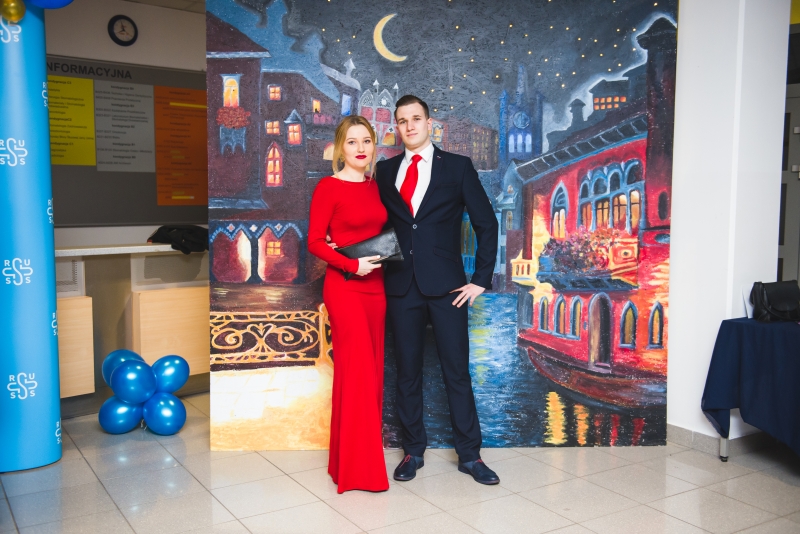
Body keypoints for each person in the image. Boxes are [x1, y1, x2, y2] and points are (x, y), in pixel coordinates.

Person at [375, 95, 501, 485]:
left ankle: (470, 456)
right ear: (397, 127)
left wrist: (480, 279)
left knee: (456, 372)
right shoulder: (385, 170)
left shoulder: (458, 167)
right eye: (402, 121)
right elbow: (375, 225)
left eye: (416, 118)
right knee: (407, 373)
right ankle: (413, 451)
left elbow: (486, 224)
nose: (409, 126)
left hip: (448, 288)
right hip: (401, 286)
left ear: (429, 124)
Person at [307, 116, 389, 493]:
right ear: (341, 147)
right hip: (345, 288)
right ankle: (360, 471)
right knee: (356, 373)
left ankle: (347, 461)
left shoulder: (376, 187)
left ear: (374, 146)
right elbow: (314, 241)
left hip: (377, 289)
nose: (360, 148)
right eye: (352, 142)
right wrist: (351, 264)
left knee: (370, 374)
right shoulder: (328, 187)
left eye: (366, 141)